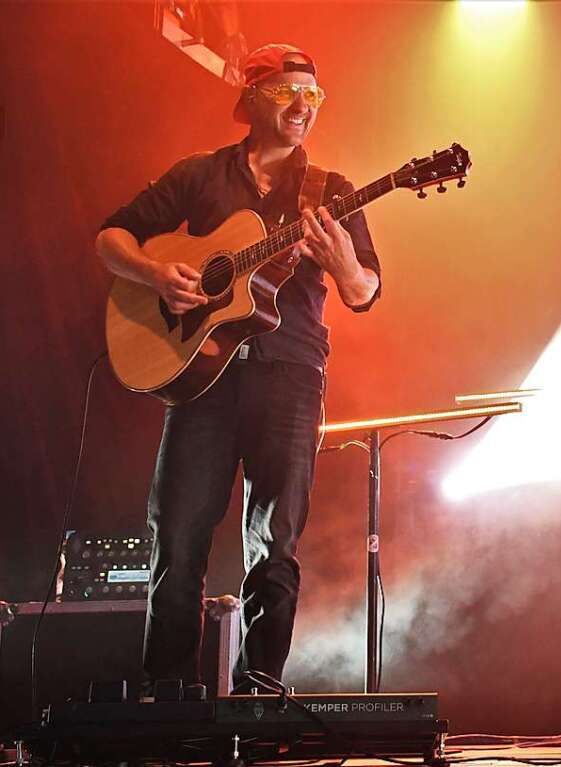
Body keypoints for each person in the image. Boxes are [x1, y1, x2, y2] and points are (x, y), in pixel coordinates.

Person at [96, 44, 381, 695]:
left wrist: (341, 265)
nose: (303, 106)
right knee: (177, 537)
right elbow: (111, 237)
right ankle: (164, 695)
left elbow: (364, 291)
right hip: (204, 378)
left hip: (290, 377)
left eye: (313, 94)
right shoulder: (199, 174)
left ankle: (259, 694)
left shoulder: (332, 192)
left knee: (274, 544)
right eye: (287, 91)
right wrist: (156, 274)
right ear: (251, 97)